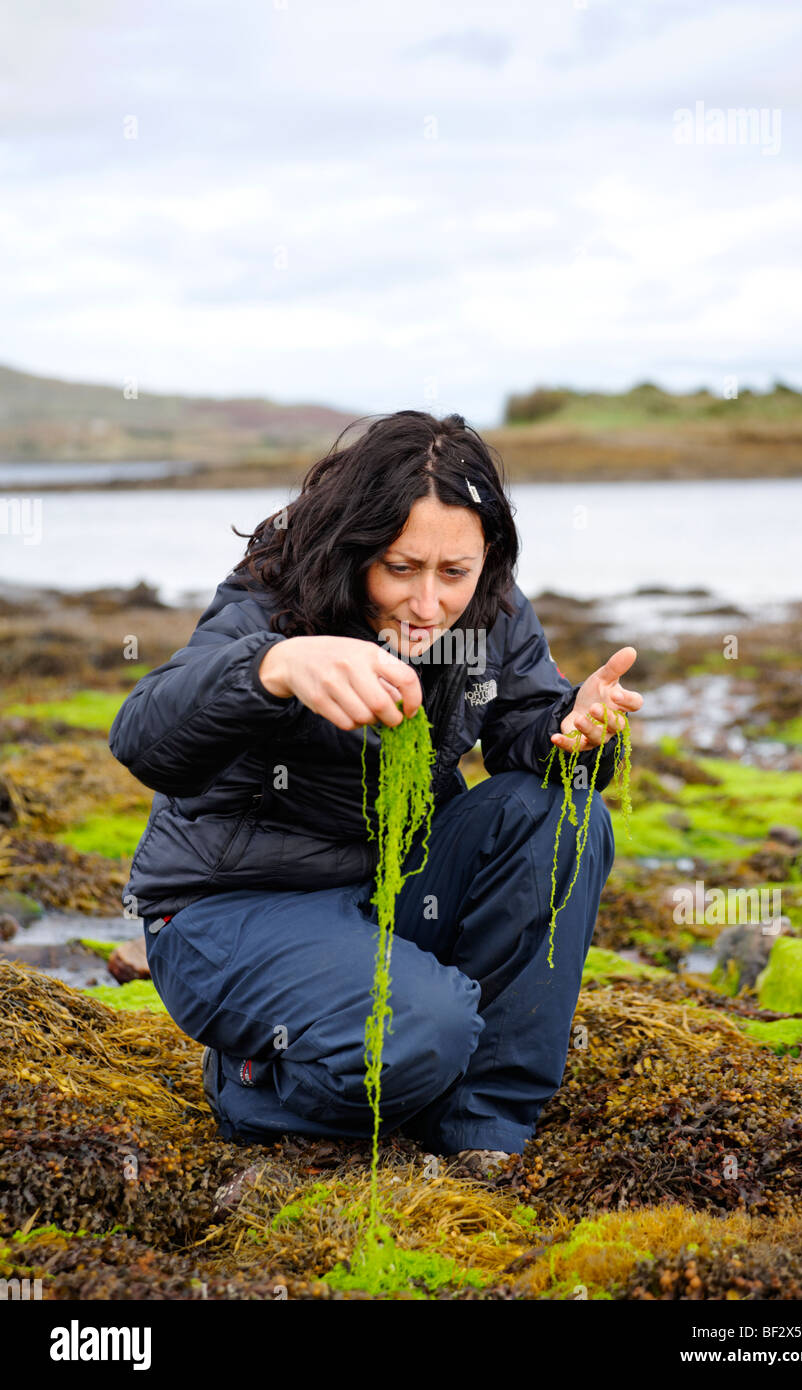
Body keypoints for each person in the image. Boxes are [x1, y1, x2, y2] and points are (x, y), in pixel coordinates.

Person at [108, 409, 643, 1173]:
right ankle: (256, 1086)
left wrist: (578, 725)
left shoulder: (486, 605)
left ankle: (482, 1127)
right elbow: (143, 739)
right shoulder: (272, 598)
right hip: (233, 908)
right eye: (400, 568)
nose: (427, 605)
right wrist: (275, 667)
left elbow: (525, 728)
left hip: (396, 890)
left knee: (560, 811)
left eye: (453, 573)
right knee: (420, 1032)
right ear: (354, 547)